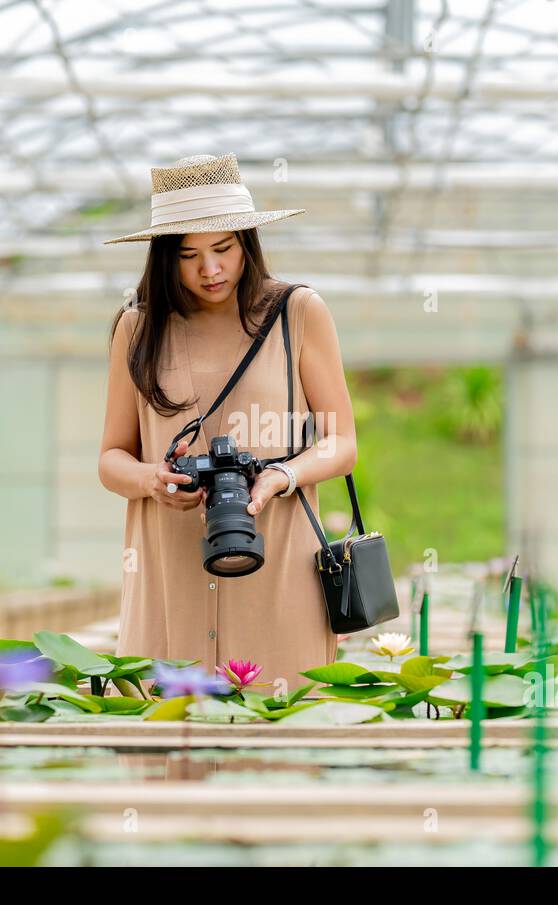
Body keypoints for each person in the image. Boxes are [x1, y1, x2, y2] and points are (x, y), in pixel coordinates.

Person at [98, 153, 357, 695]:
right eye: (189, 254)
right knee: (167, 748)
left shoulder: (298, 313)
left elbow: (342, 443)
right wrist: (153, 481)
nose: (209, 270)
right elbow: (111, 459)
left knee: (281, 745)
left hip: (280, 559)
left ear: (247, 242)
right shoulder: (136, 327)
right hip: (168, 569)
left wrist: (281, 475)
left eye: (223, 249)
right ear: (164, 256)